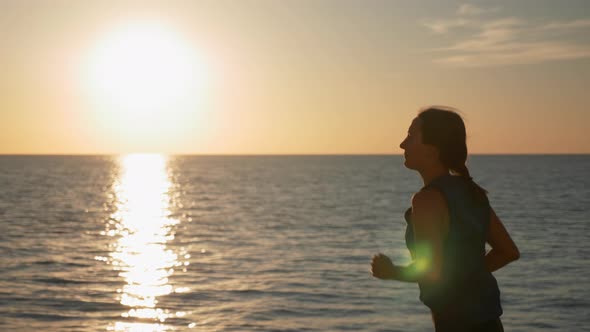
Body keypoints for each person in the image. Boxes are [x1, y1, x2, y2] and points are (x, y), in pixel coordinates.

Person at [371, 107, 520, 332]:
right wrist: (468, 276)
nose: (402, 144)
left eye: (411, 135)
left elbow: (432, 271)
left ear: (433, 149)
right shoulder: (471, 191)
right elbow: (508, 251)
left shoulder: (427, 200)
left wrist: (391, 272)